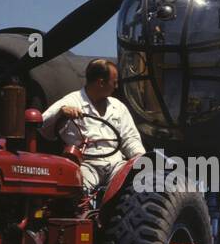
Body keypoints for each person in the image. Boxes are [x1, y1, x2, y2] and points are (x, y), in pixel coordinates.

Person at [40, 58, 145, 193]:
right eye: (114, 82)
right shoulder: (71, 101)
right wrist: (60, 113)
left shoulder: (118, 107)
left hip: (116, 164)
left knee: (134, 189)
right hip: (86, 164)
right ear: (101, 82)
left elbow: (130, 138)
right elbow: (42, 125)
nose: (116, 87)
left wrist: (140, 157)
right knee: (77, 190)